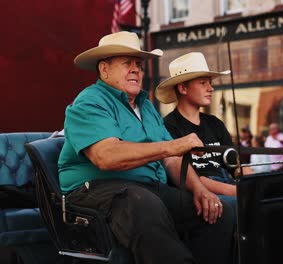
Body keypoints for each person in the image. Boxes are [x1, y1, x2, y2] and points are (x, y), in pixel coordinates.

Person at [58, 32, 234, 264]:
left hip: (145, 189)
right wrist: (171, 146)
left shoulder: (147, 106)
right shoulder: (90, 101)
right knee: (141, 202)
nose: (136, 70)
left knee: (220, 211)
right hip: (95, 190)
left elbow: (172, 160)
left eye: (139, 65)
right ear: (104, 70)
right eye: (126, 63)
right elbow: (107, 156)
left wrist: (200, 189)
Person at [157, 52, 244, 219]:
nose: (210, 88)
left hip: (228, 185)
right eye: (203, 83)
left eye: (210, 83)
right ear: (182, 88)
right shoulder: (168, 126)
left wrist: (255, 180)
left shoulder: (215, 123)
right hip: (197, 193)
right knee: (238, 206)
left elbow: (235, 166)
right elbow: (191, 178)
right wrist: (238, 192)